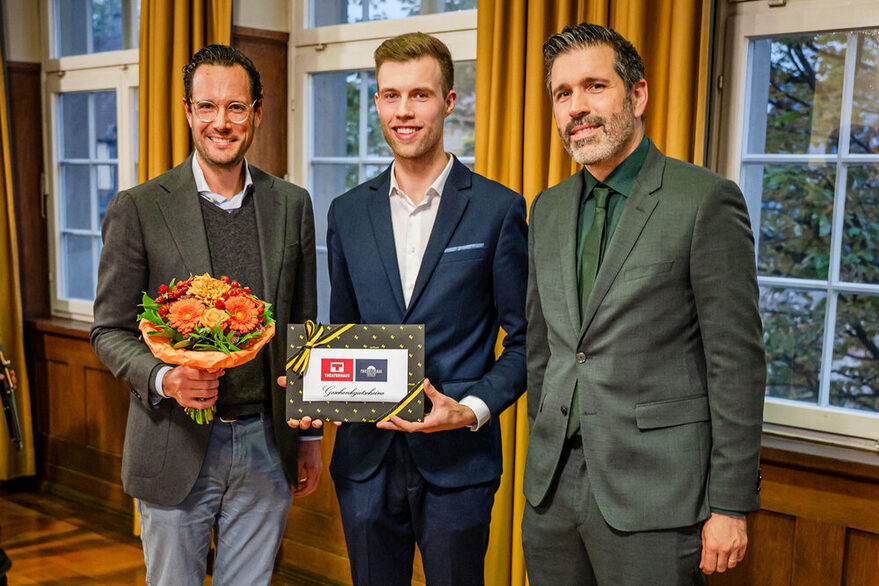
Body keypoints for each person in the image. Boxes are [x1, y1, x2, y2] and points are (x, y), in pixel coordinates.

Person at [522, 23, 766, 584]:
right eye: (562, 94)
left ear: (637, 95)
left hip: (658, 497)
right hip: (552, 493)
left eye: (594, 86)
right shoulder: (549, 209)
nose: (577, 107)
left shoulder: (704, 201)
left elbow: (736, 363)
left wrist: (730, 505)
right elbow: (545, 349)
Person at [91, 45, 319, 585]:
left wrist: (307, 436)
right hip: (175, 441)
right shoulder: (140, 207)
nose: (222, 122)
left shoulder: (291, 204)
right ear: (189, 112)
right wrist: (166, 377)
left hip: (267, 443)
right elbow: (108, 329)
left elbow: (301, 324)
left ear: (257, 113)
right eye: (208, 107)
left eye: (236, 108)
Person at [315, 32, 527, 585]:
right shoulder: (345, 213)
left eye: (420, 95)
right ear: (378, 101)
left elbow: (528, 341)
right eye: (390, 95)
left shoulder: (498, 210)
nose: (403, 112)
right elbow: (342, 331)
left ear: (449, 101)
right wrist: (315, 392)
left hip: (458, 462)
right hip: (365, 462)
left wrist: (473, 408)